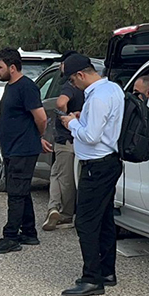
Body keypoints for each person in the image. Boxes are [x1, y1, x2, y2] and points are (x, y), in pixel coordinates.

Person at [60, 53, 124, 296]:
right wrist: (81, 117)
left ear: (81, 75)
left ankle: (91, 278)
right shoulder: (113, 89)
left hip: (96, 165)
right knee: (105, 218)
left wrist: (71, 124)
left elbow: (91, 136)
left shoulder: (97, 98)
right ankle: (107, 271)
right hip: (108, 162)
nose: (72, 87)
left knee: (85, 222)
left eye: (72, 82)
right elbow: (104, 124)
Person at [0, 48, 53, 255]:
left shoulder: (27, 87)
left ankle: (10, 237)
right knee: (21, 190)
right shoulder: (11, 86)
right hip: (12, 147)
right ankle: (28, 232)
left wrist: (37, 137)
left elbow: (41, 117)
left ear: (13, 67)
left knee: (15, 192)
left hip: (23, 149)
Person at [44, 54, 84, 231]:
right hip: (82, 138)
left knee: (62, 176)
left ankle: (61, 212)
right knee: (63, 174)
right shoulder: (90, 89)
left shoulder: (69, 84)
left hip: (66, 138)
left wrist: (65, 114)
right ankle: (57, 209)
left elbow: (60, 102)